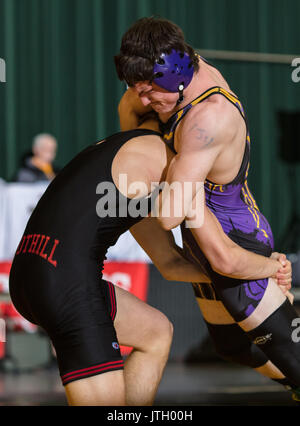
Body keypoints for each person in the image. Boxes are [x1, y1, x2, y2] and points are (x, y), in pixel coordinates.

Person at [9, 116, 290, 406]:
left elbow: (170, 265)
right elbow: (225, 259)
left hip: (27, 274)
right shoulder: (167, 164)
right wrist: (273, 267)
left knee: (156, 332)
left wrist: (224, 275)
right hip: (68, 287)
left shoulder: (121, 156)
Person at [114, 16, 300, 401]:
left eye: (149, 92)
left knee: (295, 358)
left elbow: (167, 215)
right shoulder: (161, 83)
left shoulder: (209, 116)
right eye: (136, 89)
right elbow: (129, 138)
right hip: (200, 231)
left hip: (236, 239)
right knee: (231, 348)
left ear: (176, 72)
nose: (141, 100)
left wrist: (274, 267)